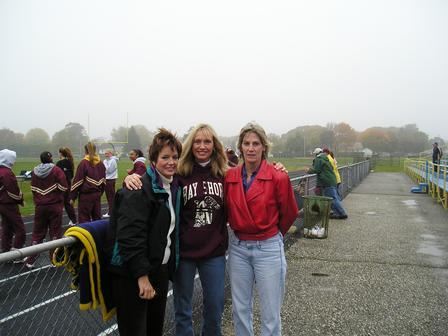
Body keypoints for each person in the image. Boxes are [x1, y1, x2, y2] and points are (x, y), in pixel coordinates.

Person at [106, 128, 182, 336]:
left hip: (158, 270)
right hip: (133, 275)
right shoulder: (138, 188)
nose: (171, 162)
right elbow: (130, 237)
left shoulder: (173, 186)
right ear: (153, 160)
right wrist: (142, 276)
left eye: (175, 157)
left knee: (154, 330)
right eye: (165, 157)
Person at [224, 122, 299, 336]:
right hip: (238, 247)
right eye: (246, 143)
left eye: (255, 143)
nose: (250, 148)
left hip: (268, 247)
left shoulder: (278, 176)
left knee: (270, 313)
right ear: (240, 147)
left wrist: (271, 235)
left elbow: (289, 213)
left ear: (263, 147)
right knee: (240, 309)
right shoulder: (230, 177)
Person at [174, 124, 228, 336]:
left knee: (215, 307)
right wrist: (135, 177)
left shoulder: (224, 174)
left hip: (213, 253)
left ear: (214, 145)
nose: (202, 146)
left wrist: (277, 167)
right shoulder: (179, 173)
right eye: (197, 141)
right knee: (182, 311)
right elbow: (154, 176)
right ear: (190, 145)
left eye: (207, 141)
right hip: (184, 254)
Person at [25, 151, 67, 268]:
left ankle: (30, 260)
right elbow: (63, 187)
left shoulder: (35, 171)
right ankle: (55, 260)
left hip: (40, 206)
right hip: (54, 205)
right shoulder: (56, 170)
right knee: (55, 233)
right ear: (51, 158)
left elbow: (33, 188)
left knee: (37, 233)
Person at [70, 142, 106, 224]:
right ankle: (97, 236)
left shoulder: (84, 163)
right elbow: (104, 181)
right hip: (97, 195)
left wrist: (72, 196)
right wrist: (100, 193)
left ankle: (86, 237)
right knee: (97, 219)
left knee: (84, 219)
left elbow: (78, 181)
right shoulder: (100, 163)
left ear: (85, 151)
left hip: (86, 196)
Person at [308, 148, 348, 219]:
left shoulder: (319, 159)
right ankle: (337, 213)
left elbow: (316, 169)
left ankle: (342, 213)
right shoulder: (326, 159)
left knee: (332, 199)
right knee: (333, 198)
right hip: (332, 180)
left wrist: (308, 170)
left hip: (327, 182)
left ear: (316, 154)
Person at [0, 149, 26, 253]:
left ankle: (6, 249)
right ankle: (16, 252)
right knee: (20, 229)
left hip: (2, 203)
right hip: (8, 203)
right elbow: (13, 190)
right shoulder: (7, 173)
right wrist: (20, 200)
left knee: (7, 227)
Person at [56, 147, 77, 225]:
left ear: (61, 153)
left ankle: (57, 222)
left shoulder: (60, 163)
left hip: (61, 187)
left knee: (59, 204)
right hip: (68, 185)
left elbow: (56, 175)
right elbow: (71, 175)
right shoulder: (70, 162)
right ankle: (73, 220)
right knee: (67, 203)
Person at [103, 149, 119, 218]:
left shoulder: (113, 161)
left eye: (107, 153)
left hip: (111, 180)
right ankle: (112, 211)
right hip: (106, 179)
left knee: (110, 197)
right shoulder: (105, 160)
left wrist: (105, 165)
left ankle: (111, 212)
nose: (105, 155)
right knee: (109, 196)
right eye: (105, 153)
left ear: (110, 153)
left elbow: (109, 170)